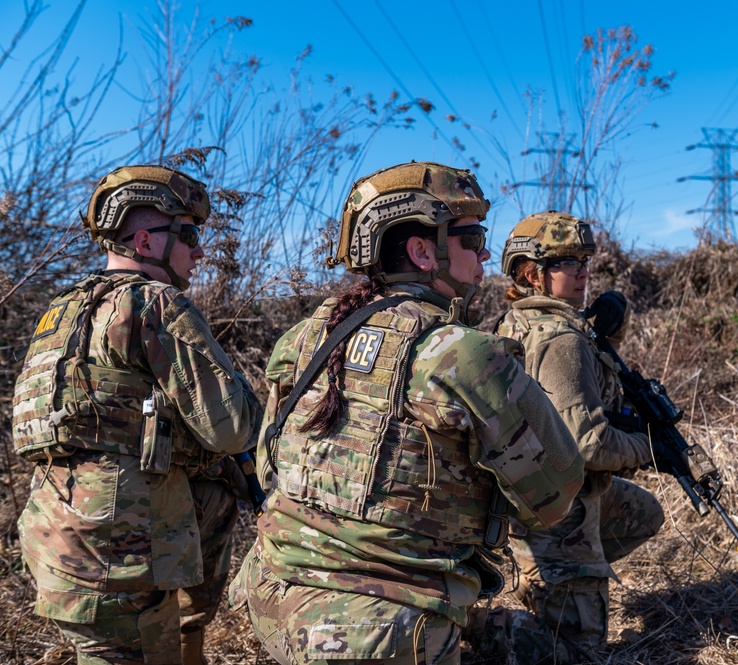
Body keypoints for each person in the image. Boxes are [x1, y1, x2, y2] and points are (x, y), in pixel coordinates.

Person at [228, 162, 585, 665]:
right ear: (422, 252)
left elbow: (270, 466)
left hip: (273, 599)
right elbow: (556, 492)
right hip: (380, 632)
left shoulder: (306, 336)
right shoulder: (463, 354)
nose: (486, 252)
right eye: (473, 237)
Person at [13, 165, 263, 664]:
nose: (200, 250)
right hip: (122, 555)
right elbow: (233, 427)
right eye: (189, 234)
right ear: (146, 241)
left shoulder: (60, 312)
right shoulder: (155, 304)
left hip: (57, 541)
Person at [494, 211, 665, 660]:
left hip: (535, 496)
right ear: (533, 273)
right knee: (583, 655)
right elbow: (588, 443)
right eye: (568, 261)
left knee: (643, 513)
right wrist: (650, 449)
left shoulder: (515, 322)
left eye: (585, 259)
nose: (583, 269)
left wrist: (611, 322)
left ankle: (565, 578)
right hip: (557, 513)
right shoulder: (561, 339)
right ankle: (495, 621)